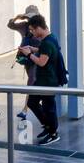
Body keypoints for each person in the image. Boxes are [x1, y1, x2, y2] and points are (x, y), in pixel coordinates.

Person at [17, 14, 64, 145]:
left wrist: (29, 54)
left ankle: (53, 133)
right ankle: (48, 126)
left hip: (48, 81)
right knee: (32, 102)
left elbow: (42, 62)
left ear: (38, 28)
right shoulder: (50, 37)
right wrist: (34, 49)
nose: (31, 33)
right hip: (43, 80)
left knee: (49, 107)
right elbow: (46, 51)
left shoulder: (47, 42)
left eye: (32, 30)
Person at [8, 4, 41, 124]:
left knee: (32, 82)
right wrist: (17, 17)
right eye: (28, 17)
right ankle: (31, 105)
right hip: (27, 58)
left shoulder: (40, 26)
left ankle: (26, 109)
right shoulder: (24, 25)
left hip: (37, 58)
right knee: (33, 81)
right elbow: (10, 25)